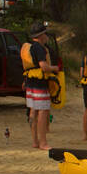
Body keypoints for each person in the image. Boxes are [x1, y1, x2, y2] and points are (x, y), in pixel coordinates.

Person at [20, 21, 60, 150]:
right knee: (42, 112)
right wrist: (54, 68)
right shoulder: (40, 48)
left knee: (33, 112)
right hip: (39, 85)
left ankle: (35, 141)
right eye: (45, 33)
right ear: (42, 35)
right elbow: (43, 66)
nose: (47, 36)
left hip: (30, 83)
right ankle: (43, 143)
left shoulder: (30, 47)